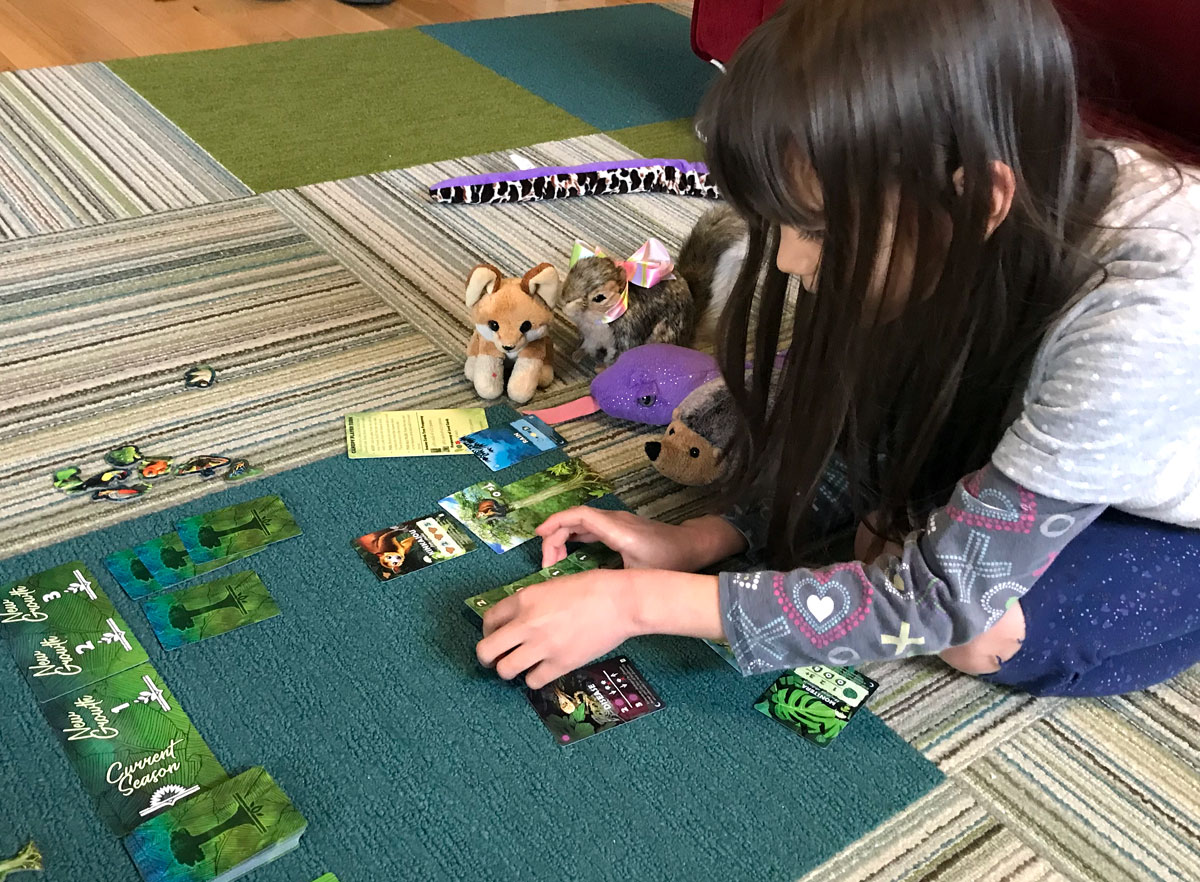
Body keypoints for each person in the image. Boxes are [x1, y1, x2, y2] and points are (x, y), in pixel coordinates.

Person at [476, 0, 1200, 698]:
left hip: (1168, 519)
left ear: (977, 201)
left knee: (978, 632)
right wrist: (707, 537)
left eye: (817, 231)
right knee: (876, 523)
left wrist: (640, 604)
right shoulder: (965, 222)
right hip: (1052, 433)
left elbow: (944, 598)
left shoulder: (1141, 316)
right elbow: (874, 417)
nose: (788, 260)